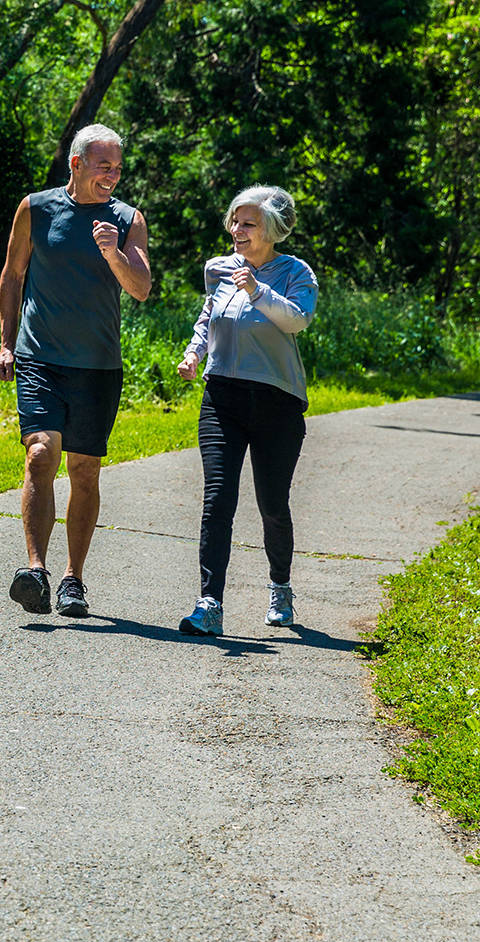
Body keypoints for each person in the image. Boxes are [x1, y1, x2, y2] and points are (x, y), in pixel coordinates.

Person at [0, 124, 151, 616]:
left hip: (97, 366)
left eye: (118, 167)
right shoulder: (36, 209)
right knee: (40, 453)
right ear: (77, 164)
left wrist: (113, 251)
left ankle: (72, 579)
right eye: (105, 165)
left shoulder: (128, 220)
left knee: (83, 470)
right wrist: (6, 344)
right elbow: (13, 274)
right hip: (40, 356)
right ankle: (35, 571)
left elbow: (141, 287)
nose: (113, 175)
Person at [175, 185, 318, 636]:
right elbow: (208, 319)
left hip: (278, 401)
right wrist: (194, 354)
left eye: (248, 223)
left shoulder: (296, 272)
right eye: (235, 221)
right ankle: (209, 603)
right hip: (222, 397)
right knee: (218, 498)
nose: (237, 230)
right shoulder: (219, 269)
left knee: (272, 504)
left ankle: (280, 585)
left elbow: (297, 319)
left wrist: (258, 291)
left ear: (272, 229)